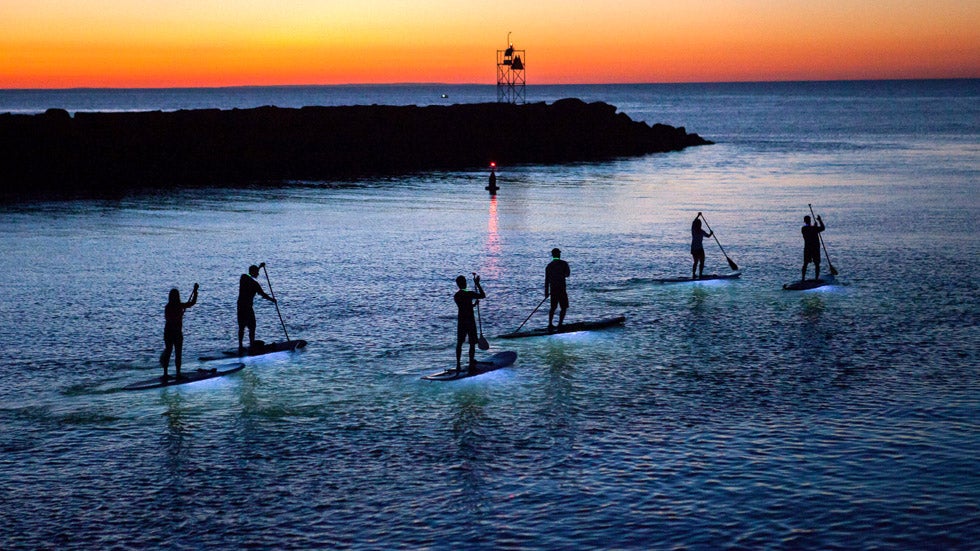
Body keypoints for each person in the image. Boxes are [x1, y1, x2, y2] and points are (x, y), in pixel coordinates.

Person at [160, 283, 198, 380]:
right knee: (169, 352)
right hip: (171, 333)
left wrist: (195, 291)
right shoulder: (169, 307)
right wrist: (177, 317)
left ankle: (177, 373)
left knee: (177, 353)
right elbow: (168, 318)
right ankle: (166, 374)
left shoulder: (179, 306)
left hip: (174, 333)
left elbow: (192, 303)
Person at [238, 263, 276, 352]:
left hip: (240, 306)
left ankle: (241, 346)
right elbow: (263, 294)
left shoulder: (243, 278)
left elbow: (249, 274)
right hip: (247, 307)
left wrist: (259, 267)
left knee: (242, 326)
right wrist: (272, 300)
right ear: (253, 272)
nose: (258, 274)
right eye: (257, 273)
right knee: (252, 326)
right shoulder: (254, 283)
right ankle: (251, 346)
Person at [454, 274, 486, 372]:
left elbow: (464, 307)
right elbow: (482, 295)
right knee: (472, 343)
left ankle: (458, 364)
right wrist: (478, 284)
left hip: (461, 321)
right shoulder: (469, 293)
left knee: (459, 343)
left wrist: (473, 305)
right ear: (464, 283)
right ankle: (471, 362)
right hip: (470, 321)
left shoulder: (456, 296)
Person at [545, 248, 570, 332]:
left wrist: (546, 292)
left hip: (553, 290)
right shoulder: (564, 264)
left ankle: (550, 324)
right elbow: (568, 274)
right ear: (559, 254)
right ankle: (560, 324)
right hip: (561, 289)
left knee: (553, 307)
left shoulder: (549, 266)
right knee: (563, 307)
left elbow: (546, 280)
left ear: (552, 255)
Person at [801, 214, 826, 280]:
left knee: (807, 263)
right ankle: (815, 278)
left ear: (804, 221)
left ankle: (804, 278)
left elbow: (820, 228)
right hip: (813, 248)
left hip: (809, 248)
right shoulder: (810, 228)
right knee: (815, 264)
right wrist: (820, 221)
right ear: (810, 220)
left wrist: (815, 226)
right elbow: (823, 228)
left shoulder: (804, 228)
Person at [691, 214, 713, 279]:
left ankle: (698, 274)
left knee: (700, 262)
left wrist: (711, 234)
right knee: (697, 262)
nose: (700, 225)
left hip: (697, 248)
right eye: (699, 224)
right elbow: (693, 222)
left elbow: (708, 236)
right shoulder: (694, 230)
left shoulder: (700, 231)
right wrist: (698, 216)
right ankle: (695, 274)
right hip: (696, 249)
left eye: (700, 224)